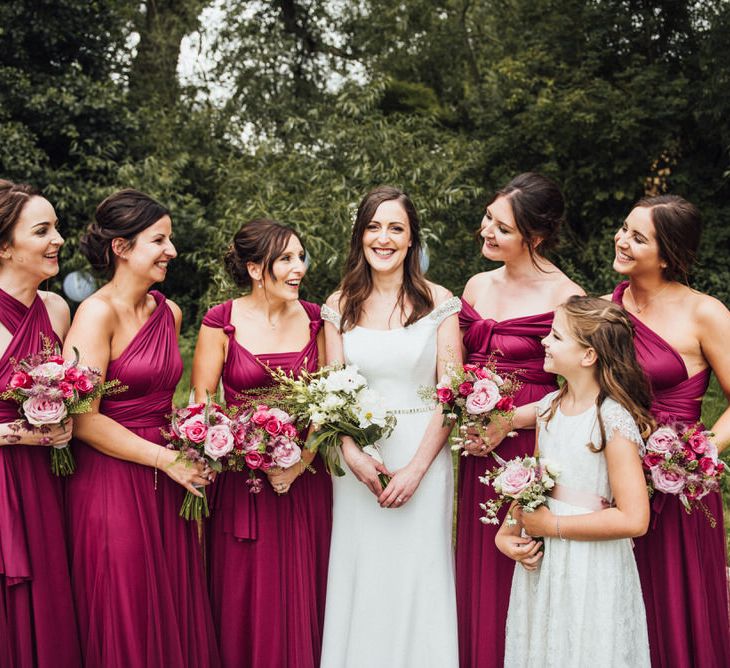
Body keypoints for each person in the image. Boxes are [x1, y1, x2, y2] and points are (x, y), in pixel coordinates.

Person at [64, 189, 219, 667]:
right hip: (112, 481)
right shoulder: (95, 313)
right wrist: (165, 458)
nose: (171, 251)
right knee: (126, 608)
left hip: (168, 481)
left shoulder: (167, 313)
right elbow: (84, 420)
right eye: (159, 240)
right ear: (122, 248)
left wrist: (195, 442)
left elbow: (166, 399)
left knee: (171, 603)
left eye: (169, 239)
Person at [319, 185, 461, 667]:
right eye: (374, 227)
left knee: (420, 574)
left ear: (411, 240)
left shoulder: (439, 302)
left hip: (423, 456)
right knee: (364, 572)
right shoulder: (338, 305)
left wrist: (417, 469)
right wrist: (353, 455)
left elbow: (450, 394)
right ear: (360, 236)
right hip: (361, 463)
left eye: (396, 228)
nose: (384, 238)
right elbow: (331, 392)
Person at [191, 218, 332, 667]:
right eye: (286, 259)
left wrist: (300, 460)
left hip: (305, 482)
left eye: (300, 257)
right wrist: (234, 445)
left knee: (305, 590)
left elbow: (331, 404)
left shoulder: (317, 320)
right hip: (241, 485)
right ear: (255, 269)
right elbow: (202, 403)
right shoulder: (220, 321)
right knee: (245, 599)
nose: (299, 269)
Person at [456, 172, 583, 667]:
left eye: (502, 227)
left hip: (530, 445)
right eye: (489, 217)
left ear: (536, 237)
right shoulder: (475, 284)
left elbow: (575, 392)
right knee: (477, 560)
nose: (487, 230)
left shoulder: (567, 297)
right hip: (477, 443)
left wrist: (508, 422)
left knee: (523, 561)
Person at [497, 295, 653, 667]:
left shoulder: (611, 420)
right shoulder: (549, 409)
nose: (544, 341)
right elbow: (535, 484)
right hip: (547, 566)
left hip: (592, 564)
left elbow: (635, 519)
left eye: (556, 335)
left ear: (587, 356)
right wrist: (506, 532)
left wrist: (552, 524)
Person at [608, 194, 730, 666]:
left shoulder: (705, 313)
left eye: (638, 237)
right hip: (615, 475)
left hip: (678, 486)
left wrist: (689, 457)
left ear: (668, 253)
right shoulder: (605, 310)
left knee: (678, 605)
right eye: (624, 228)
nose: (622, 240)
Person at [0, 180, 81, 667]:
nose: (58, 240)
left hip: (51, 482)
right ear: (6, 246)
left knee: (52, 604)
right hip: (4, 482)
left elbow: (78, 389)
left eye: (57, 228)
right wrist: (15, 434)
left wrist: (67, 419)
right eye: (43, 230)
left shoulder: (57, 309)